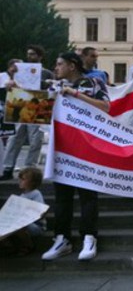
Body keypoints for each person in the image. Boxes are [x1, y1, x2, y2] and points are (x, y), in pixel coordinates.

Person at [42, 52, 110, 261]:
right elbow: (35, 112)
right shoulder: (54, 86)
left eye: (60, 64)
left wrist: (74, 94)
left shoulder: (93, 82)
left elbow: (106, 107)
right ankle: (62, 238)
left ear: (72, 66)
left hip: (87, 149)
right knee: (62, 196)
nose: (56, 67)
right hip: (62, 149)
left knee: (87, 195)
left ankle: (89, 236)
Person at [0, 45, 52, 181]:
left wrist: (44, 83)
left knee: (36, 140)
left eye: (33, 54)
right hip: (21, 104)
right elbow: (9, 86)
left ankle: (30, 169)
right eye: (28, 54)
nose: (29, 56)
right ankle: (8, 168)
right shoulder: (19, 70)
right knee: (14, 138)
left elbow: (50, 89)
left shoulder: (47, 73)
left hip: (39, 105)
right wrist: (12, 75)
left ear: (40, 56)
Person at [0, 167, 46, 256]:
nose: (20, 181)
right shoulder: (22, 195)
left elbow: (41, 210)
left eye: (23, 179)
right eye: (20, 179)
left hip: (36, 226)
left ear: (33, 182)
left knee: (18, 225)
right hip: (22, 223)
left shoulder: (36, 193)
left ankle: (29, 245)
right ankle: (7, 245)